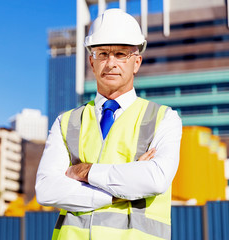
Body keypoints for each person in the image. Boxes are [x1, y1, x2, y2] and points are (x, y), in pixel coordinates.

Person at [35, 8, 182, 240]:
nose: (111, 63)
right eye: (102, 54)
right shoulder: (66, 122)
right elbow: (46, 190)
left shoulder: (163, 118)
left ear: (136, 62)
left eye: (121, 54)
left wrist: (85, 171)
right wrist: (121, 192)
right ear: (91, 63)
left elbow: (155, 179)